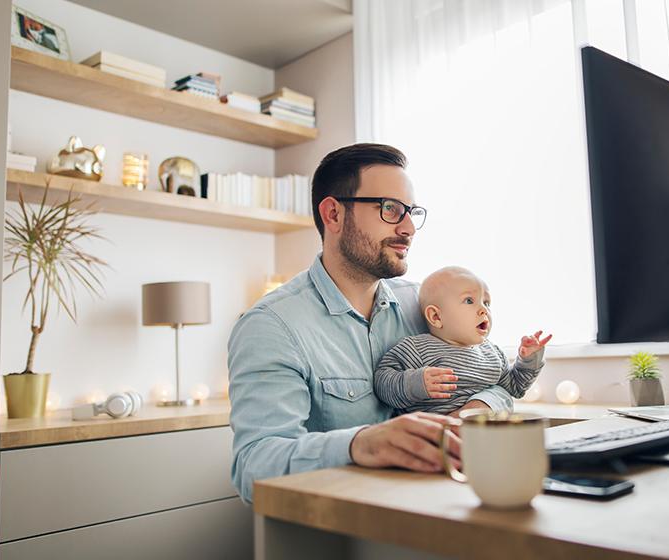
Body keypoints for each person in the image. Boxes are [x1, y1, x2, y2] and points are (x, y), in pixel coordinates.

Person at [227, 144, 513, 503]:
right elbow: (254, 467)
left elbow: (500, 381)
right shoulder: (271, 326)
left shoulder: (425, 305)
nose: (408, 228)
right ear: (333, 214)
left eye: (411, 212)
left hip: (443, 507)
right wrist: (359, 444)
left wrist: (477, 409)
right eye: (390, 209)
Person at [373, 266, 551, 415]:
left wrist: (529, 359)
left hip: (481, 437)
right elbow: (382, 381)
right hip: (431, 439)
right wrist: (415, 383)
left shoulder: (493, 354)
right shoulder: (417, 348)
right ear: (436, 316)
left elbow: (515, 388)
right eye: (469, 300)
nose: (483, 310)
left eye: (486, 302)